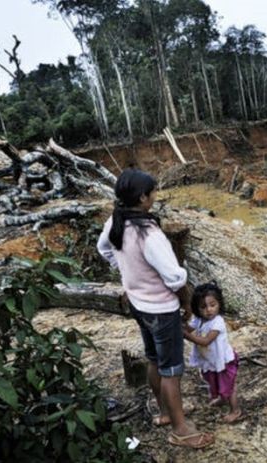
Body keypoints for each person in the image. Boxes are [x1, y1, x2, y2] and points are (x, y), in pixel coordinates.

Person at [97, 168, 213, 449]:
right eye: (153, 192)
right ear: (142, 197)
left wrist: (128, 274)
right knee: (172, 369)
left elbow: (104, 249)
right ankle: (180, 429)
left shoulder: (117, 220)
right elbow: (175, 277)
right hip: (161, 310)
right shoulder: (149, 233)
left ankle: (165, 412)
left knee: (153, 360)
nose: (155, 196)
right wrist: (186, 302)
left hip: (139, 305)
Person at [184, 282, 243, 423]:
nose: (208, 310)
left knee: (228, 386)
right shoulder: (198, 320)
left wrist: (186, 335)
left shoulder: (218, 322)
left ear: (219, 304)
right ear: (197, 308)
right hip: (211, 361)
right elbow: (188, 327)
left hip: (223, 361)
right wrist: (181, 323)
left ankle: (235, 410)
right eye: (203, 307)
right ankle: (222, 399)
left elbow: (206, 341)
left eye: (212, 305)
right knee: (214, 382)